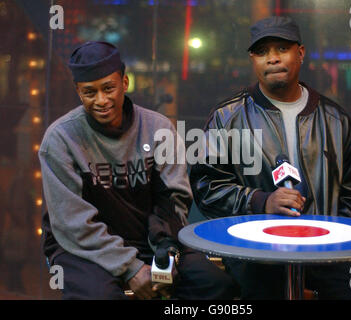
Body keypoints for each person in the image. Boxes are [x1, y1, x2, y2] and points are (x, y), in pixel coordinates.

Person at [190, 16, 351, 299]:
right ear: (252, 59)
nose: (272, 59)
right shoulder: (227, 118)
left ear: (300, 53)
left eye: (281, 48)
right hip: (255, 255)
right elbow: (208, 188)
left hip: (329, 256)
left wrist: (326, 236)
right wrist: (262, 201)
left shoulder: (335, 119)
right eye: (262, 52)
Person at [39, 41, 237, 300]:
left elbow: (173, 198)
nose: (101, 100)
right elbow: (72, 223)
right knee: (101, 296)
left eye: (109, 88)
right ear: (78, 91)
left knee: (215, 285)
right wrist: (130, 267)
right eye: (90, 92)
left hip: (149, 238)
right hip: (80, 247)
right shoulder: (60, 139)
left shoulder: (159, 129)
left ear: (125, 82)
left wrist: (166, 246)